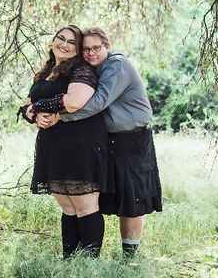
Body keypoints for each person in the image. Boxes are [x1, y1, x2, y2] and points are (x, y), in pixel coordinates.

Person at [35, 27, 162, 259]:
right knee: (101, 199)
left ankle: (129, 259)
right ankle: (79, 257)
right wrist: (34, 111)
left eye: (96, 48)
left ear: (107, 46)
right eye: (86, 49)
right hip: (108, 139)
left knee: (132, 200)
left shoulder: (116, 65)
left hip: (132, 139)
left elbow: (98, 102)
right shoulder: (88, 68)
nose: (91, 53)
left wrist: (60, 116)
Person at [18, 25, 113, 258]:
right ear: (52, 41)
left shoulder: (81, 70)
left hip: (81, 145)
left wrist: (38, 107)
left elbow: (74, 102)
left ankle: (89, 266)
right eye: (61, 38)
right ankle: (70, 262)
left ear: (78, 49)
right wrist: (32, 113)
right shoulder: (47, 71)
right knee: (69, 208)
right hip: (53, 147)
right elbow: (28, 104)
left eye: (72, 42)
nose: (65, 44)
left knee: (85, 207)